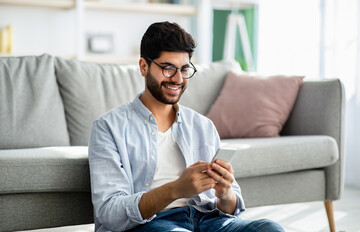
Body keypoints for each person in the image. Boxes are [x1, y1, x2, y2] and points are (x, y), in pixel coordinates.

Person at [88, 21, 284, 232]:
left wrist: (225, 193)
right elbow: (109, 213)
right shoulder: (108, 128)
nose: (178, 79)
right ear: (144, 66)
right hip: (152, 224)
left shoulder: (203, 126)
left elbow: (231, 210)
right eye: (168, 68)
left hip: (210, 220)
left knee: (270, 228)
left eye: (184, 69)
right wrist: (175, 189)